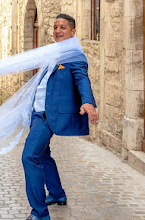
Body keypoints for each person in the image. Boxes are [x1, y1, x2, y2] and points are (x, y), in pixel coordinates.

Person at [23, 14, 98, 220]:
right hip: (37, 112)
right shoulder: (54, 53)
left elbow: (82, 79)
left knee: (29, 157)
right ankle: (57, 194)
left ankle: (39, 213)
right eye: (55, 27)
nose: (57, 31)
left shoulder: (75, 55)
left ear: (73, 32)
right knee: (43, 154)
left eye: (63, 27)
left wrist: (88, 101)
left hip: (49, 115)